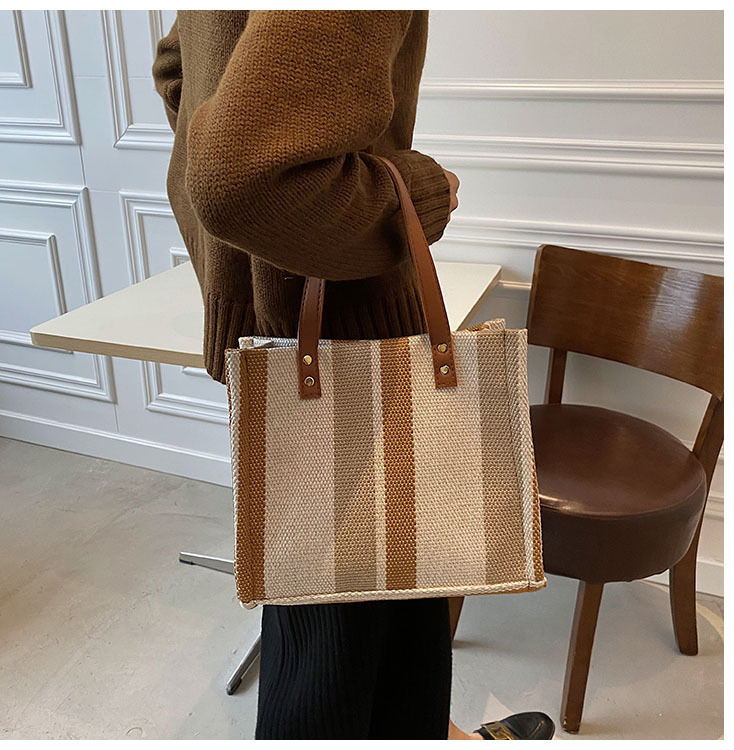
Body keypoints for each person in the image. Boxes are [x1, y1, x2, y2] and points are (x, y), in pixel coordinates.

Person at [153, 10, 554, 741]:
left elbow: (177, 68)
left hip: (275, 332)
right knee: (336, 658)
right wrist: (422, 191)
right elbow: (240, 179)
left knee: (354, 616)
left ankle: (430, 730)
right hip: (349, 331)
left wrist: (232, 261)